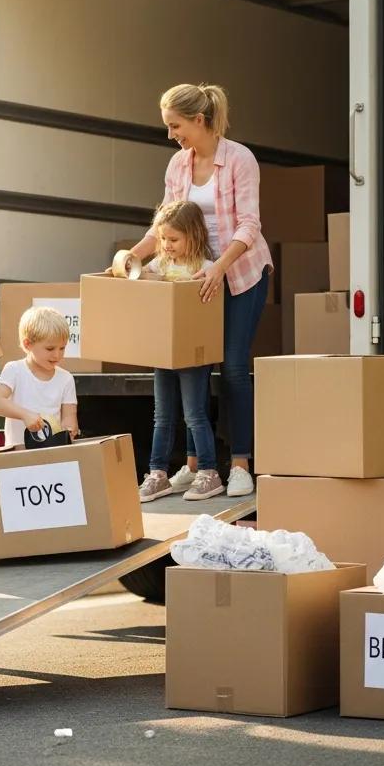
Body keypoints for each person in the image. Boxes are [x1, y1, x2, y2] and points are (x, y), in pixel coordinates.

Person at [128, 83, 273, 498]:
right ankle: (195, 466)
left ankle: (241, 463)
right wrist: (132, 258)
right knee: (191, 364)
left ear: (200, 120)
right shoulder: (178, 165)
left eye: (176, 125)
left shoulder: (240, 159)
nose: (172, 134)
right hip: (191, 277)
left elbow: (250, 224)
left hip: (240, 273)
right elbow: (165, 225)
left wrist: (220, 269)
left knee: (230, 368)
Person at [138, 201, 223, 503]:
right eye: (162, 239)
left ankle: (209, 472)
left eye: (173, 239)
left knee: (194, 414)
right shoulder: (161, 264)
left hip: (192, 353)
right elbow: (140, 274)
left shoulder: (205, 267)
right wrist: (130, 268)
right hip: (164, 350)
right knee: (161, 415)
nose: (167, 245)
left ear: (194, 235)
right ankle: (157, 473)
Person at [0, 306, 79, 447]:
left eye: (62, 348)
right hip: (18, 454)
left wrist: (70, 428)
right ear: (28, 344)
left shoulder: (66, 378)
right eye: (50, 348)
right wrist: (25, 415)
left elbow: (69, 416)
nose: (57, 355)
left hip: (52, 455)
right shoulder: (15, 370)